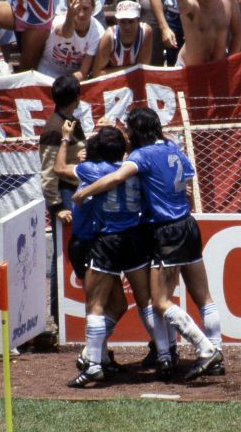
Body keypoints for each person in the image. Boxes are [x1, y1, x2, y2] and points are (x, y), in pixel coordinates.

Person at [74, 106, 224, 382]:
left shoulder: (139, 157)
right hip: (188, 224)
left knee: (159, 302)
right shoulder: (172, 147)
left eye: (130, 128)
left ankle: (203, 349)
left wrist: (84, 193)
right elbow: (188, 182)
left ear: (137, 131)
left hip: (164, 231)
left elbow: (116, 176)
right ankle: (216, 351)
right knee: (203, 297)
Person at [56, 122, 153, 387]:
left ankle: (94, 356)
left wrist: (65, 139)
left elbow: (59, 169)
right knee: (102, 304)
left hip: (95, 242)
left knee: (111, 305)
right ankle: (97, 359)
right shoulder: (124, 170)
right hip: (89, 244)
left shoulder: (89, 169)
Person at [39, 74, 86, 331]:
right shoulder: (54, 128)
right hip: (65, 195)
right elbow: (48, 173)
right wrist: (57, 207)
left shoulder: (68, 122)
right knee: (64, 254)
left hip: (74, 191)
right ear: (76, 98)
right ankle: (59, 316)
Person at [37, 0, 105, 81]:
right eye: (77, 9)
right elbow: (66, 33)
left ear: (93, 9)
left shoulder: (98, 32)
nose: (81, 14)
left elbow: (83, 72)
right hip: (46, 73)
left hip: (73, 79)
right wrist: (70, 15)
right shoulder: (59, 20)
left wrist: (66, 84)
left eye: (85, 9)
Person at [90, 0, 153, 76]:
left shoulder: (145, 32)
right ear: (117, 21)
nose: (127, 27)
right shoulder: (109, 36)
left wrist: (118, 71)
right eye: (123, 22)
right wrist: (132, 69)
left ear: (138, 20)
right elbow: (97, 73)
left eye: (131, 21)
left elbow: (143, 70)